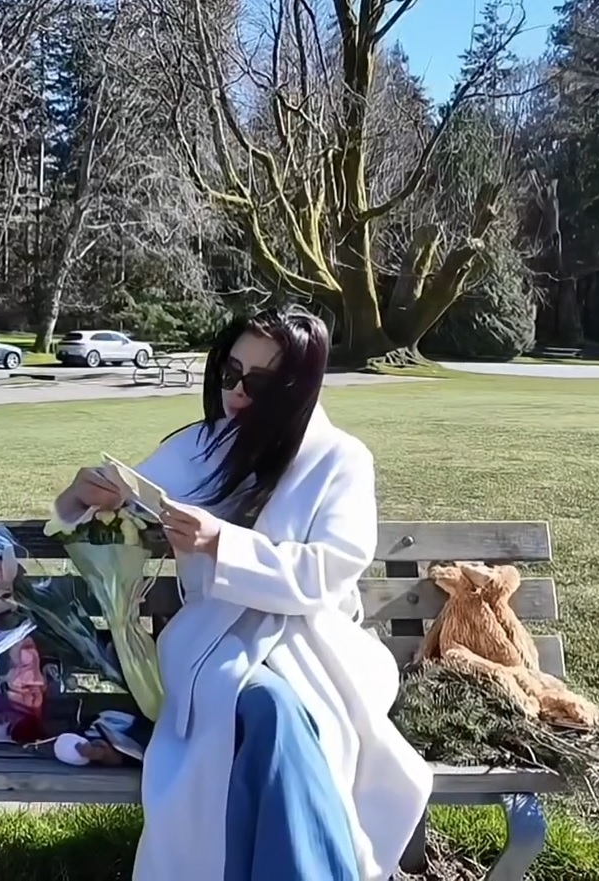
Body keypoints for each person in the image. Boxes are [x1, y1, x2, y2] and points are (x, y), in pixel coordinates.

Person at [54, 306, 431, 881]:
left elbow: (329, 572)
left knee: (285, 714)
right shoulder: (200, 448)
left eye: (258, 382)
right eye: (229, 372)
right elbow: (119, 502)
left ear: (296, 388)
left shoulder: (340, 460)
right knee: (268, 707)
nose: (235, 392)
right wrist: (85, 494)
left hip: (314, 647)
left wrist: (221, 545)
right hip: (211, 645)